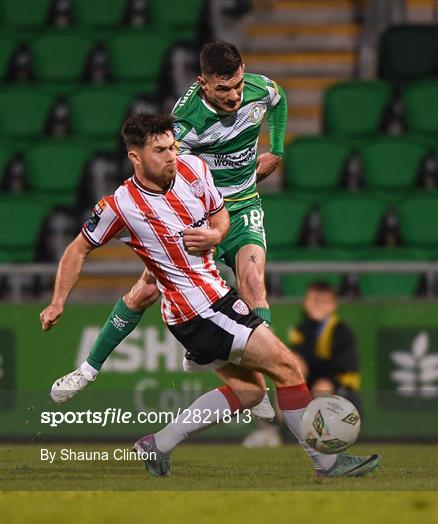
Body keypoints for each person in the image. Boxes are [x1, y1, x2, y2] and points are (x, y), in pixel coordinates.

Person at [40, 113, 381, 478]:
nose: (171, 155)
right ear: (135, 157)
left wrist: (216, 236)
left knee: (250, 393)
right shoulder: (120, 206)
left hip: (213, 300)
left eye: (172, 146)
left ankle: (158, 444)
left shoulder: (194, 169)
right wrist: (59, 300)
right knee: (288, 367)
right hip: (200, 310)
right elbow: (77, 250)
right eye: (160, 150)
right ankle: (325, 463)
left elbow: (221, 218)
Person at [42, 41, 288, 420]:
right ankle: (88, 370)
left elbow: (279, 99)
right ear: (202, 83)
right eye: (223, 89)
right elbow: (172, 179)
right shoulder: (184, 124)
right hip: (199, 213)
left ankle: (260, 382)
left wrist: (277, 148)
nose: (235, 96)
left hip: (241, 208)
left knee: (254, 281)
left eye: (238, 85)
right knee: (144, 291)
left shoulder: (260, 88)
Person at [288, 282, 361, 410]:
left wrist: (328, 381)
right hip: (311, 382)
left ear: (333, 305)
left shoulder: (341, 331)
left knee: (323, 388)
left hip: (341, 388)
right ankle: (278, 427)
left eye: (323, 301)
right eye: (313, 300)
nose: (317, 306)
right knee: (288, 384)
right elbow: (299, 361)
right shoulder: (302, 330)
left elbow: (346, 370)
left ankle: (322, 427)